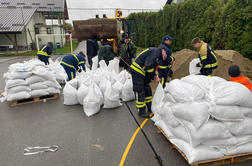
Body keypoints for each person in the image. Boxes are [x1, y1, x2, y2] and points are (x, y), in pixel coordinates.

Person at [129, 47, 168, 118]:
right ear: (164, 52)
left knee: (147, 89)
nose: (164, 58)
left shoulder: (157, 54)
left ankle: (150, 105)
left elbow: (152, 64)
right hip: (137, 71)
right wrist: (154, 76)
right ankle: (141, 109)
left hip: (142, 72)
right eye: (165, 56)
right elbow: (148, 65)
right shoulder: (157, 51)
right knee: (140, 90)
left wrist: (154, 75)